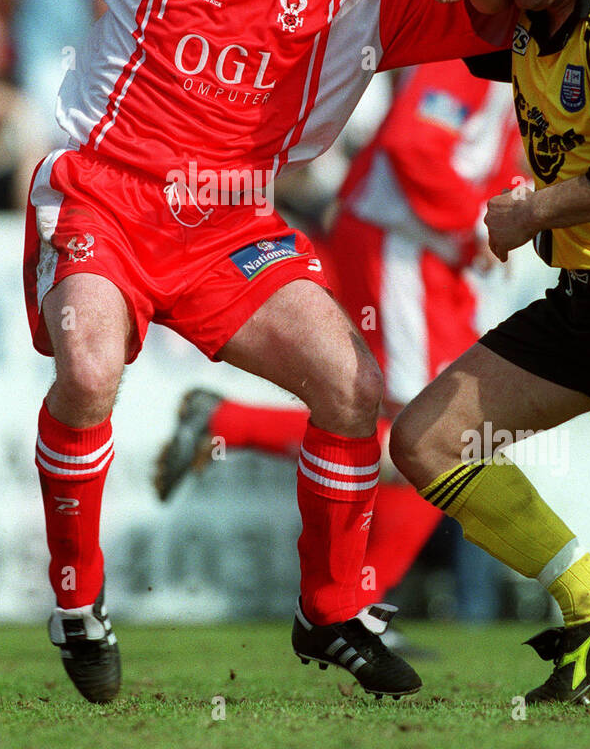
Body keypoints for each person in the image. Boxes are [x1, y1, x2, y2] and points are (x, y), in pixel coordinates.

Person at [0, 0, 514, 704]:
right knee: (90, 373)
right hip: (104, 192)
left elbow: (507, 22)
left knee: (352, 388)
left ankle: (331, 610)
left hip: (234, 225)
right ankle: (77, 601)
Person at [387, 0, 590, 705]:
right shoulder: (545, 2)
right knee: (425, 441)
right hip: (589, 303)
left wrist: (534, 211)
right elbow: (492, 23)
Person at [154, 58, 522, 624]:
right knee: (436, 434)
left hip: (422, 251)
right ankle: (352, 605)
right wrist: (478, 221)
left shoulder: (511, 52)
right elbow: (411, 144)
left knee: (446, 436)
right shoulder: (477, 52)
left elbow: (469, 151)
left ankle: (356, 607)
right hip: (403, 245)